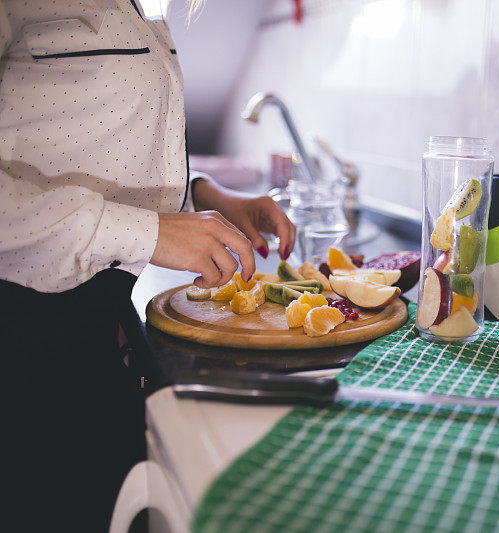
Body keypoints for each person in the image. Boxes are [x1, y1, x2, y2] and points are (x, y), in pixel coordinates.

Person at [0, 1, 295, 529]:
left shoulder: (139, 9)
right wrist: (151, 232)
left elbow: (94, 152)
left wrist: (205, 196)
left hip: (88, 337)